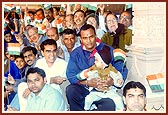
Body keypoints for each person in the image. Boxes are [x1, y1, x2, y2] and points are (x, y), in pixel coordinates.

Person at [66, 24, 128, 111]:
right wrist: (88, 82)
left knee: (109, 104)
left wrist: (112, 81)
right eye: (85, 38)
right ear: (81, 39)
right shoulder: (76, 53)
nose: (89, 41)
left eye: (91, 37)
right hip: (86, 89)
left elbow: (122, 69)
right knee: (71, 90)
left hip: (105, 90)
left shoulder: (108, 50)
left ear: (96, 36)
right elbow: (71, 75)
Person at [77, 46, 125, 110]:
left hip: (109, 91)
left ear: (103, 62)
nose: (94, 62)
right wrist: (86, 76)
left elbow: (118, 77)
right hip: (97, 92)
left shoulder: (112, 70)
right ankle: (87, 109)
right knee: (88, 99)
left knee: (118, 99)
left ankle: (120, 110)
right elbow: (86, 75)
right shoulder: (94, 69)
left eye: (96, 60)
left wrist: (117, 81)